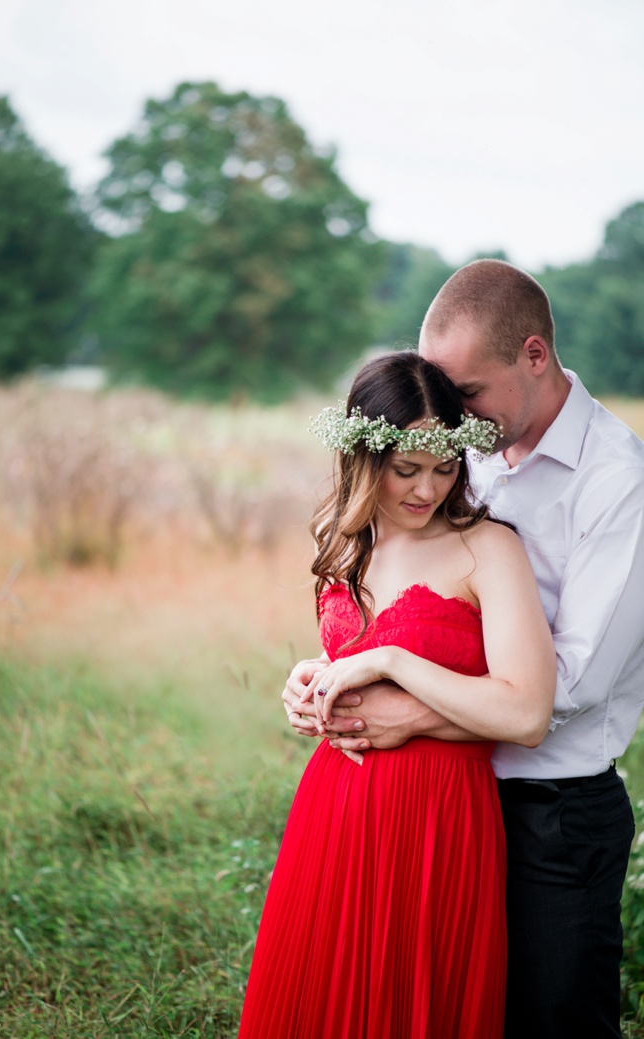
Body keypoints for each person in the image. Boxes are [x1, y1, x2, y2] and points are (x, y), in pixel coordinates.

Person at [284, 260, 644, 1038]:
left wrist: (401, 706)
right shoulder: (458, 451)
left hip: (552, 809)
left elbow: (560, 689)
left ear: (534, 356)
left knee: (554, 1018)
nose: (453, 426)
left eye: (467, 394)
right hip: (416, 802)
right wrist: (322, 678)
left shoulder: (618, 481)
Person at [241, 351, 557, 1038]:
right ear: (363, 458)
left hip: (441, 819)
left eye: (445, 468)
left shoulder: (487, 549)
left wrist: (393, 659)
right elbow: (348, 663)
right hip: (335, 809)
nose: (427, 489)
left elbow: (526, 712)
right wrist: (309, 681)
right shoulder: (343, 544)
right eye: (406, 469)